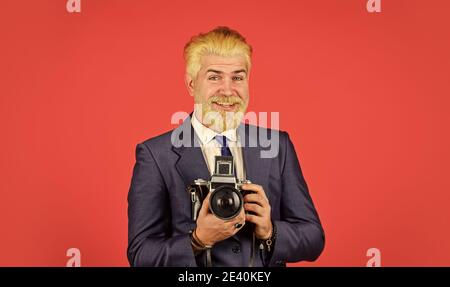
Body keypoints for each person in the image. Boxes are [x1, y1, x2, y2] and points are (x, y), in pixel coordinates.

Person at [127, 26, 325, 267]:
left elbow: (314, 238)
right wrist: (198, 240)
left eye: (238, 77)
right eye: (214, 77)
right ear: (191, 84)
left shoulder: (278, 146)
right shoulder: (157, 155)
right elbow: (140, 255)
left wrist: (271, 231)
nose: (228, 90)